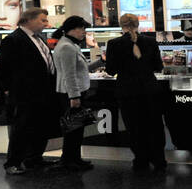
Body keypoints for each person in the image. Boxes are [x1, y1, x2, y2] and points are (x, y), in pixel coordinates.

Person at [0, 7, 58, 174]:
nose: (46, 23)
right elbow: (3, 67)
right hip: (25, 93)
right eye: (42, 20)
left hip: (44, 92)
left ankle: (34, 158)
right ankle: (13, 162)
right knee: (22, 128)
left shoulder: (39, 39)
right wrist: (9, 89)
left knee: (41, 127)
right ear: (29, 20)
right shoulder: (13, 40)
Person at [106, 13, 169, 172]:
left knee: (134, 127)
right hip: (150, 89)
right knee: (154, 125)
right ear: (138, 24)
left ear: (121, 25)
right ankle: (159, 159)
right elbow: (158, 67)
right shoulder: (150, 42)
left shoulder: (113, 44)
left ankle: (141, 159)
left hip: (127, 91)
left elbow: (111, 70)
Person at [51, 16, 94, 172]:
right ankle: (69, 160)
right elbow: (70, 74)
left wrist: (100, 61)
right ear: (73, 29)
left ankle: (74, 158)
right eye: (82, 29)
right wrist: (74, 97)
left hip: (72, 92)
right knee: (73, 130)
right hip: (71, 94)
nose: (84, 32)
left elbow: (80, 69)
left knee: (76, 128)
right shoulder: (67, 47)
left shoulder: (69, 45)